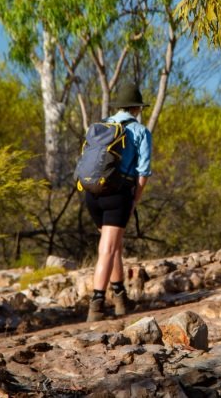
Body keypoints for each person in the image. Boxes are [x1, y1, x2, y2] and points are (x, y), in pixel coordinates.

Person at [85, 82, 152, 322]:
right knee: (108, 249)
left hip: (92, 193)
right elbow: (143, 172)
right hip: (117, 195)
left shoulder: (101, 125)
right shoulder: (140, 131)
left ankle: (121, 298)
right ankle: (96, 304)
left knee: (114, 245)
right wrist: (134, 200)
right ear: (137, 108)